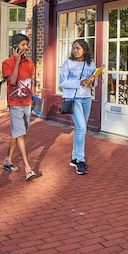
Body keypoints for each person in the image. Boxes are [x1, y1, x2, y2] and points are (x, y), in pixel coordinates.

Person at [1, 33, 37, 181]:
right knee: (21, 134)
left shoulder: (29, 62)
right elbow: (13, 80)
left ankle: (7, 159)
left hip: (27, 103)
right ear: (15, 47)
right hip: (15, 104)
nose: (26, 47)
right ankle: (28, 168)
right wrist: (16, 62)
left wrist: (34, 99)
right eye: (23, 45)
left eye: (26, 45)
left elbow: (30, 81)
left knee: (18, 133)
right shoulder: (7, 63)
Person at [58, 39, 97, 175]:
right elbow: (62, 82)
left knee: (80, 129)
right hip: (72, 99)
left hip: (86, 98)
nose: (75, 50)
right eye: (74, 48)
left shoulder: (91, 64)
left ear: (85, 50)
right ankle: (80, 160)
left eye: (78, 48)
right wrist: (79, 82)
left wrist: (94, 81)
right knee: (81, 128)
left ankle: (74, 157)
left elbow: (95, 84)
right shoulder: (68, 63)